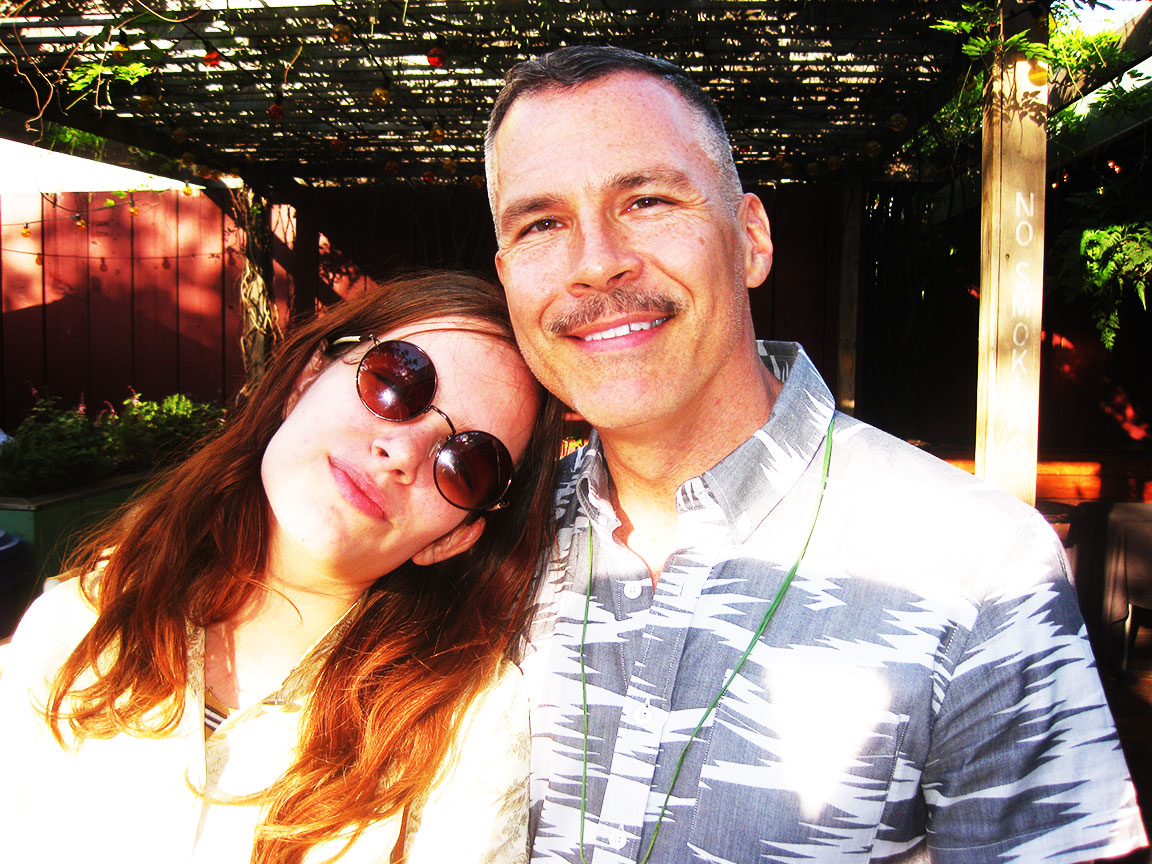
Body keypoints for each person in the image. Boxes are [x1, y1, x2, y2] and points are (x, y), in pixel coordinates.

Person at [484, 45, 1148, 863]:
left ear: (751, 238)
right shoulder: (488, 544)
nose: (595, 262)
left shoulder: (978, 565)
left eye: (647, 200)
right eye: (542, 224)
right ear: (506, 276)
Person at [0, 272, 563, 863]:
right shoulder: (77, 624)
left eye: (469, 464)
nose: (401, 453)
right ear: (307, 379)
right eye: (396, 382)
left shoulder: (468, 732)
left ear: (453, 537)